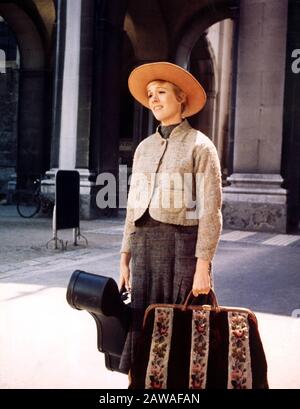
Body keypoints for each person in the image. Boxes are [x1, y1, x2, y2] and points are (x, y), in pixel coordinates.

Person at [118, 61, 222, 374]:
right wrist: (124, 257)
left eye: (161, 92)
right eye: (150, 94)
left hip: (182, 251)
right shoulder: (143, 149)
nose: (154, 99)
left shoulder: (200, 146)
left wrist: (203, 267)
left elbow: (210, 210)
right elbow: (133, 206)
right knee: (144, 328)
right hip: (145, 250)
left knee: (182, 330)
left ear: (181, 99)